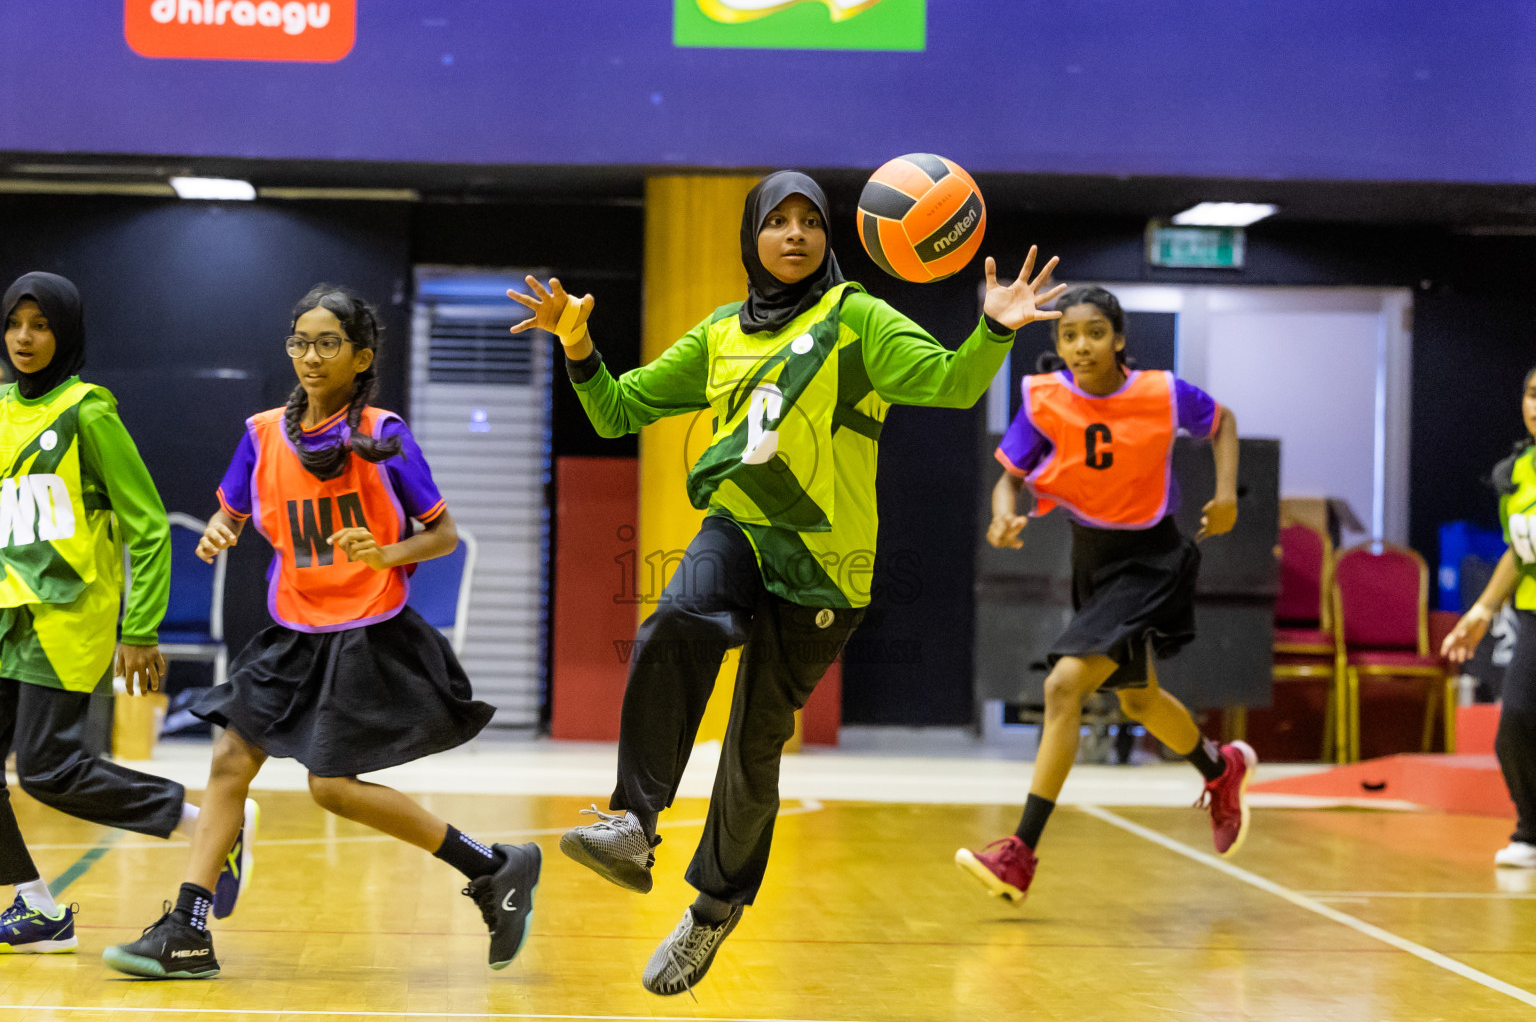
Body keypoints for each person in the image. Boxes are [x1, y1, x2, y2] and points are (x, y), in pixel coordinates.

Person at [510, 170, 1065, 995]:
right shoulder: (719, 333)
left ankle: (711, 913)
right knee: (676, 616)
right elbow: (618, 411)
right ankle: (632, 819)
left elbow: (950, 384)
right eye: (779, 221)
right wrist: (579, 344)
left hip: (828, 568)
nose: (795, 234)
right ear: (754, 237)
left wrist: (992, 328)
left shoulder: (859, 319)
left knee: (753, 741)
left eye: (810, 221)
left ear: (830, 237)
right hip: (739, 526)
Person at [103, 284, 539, 979]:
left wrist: (388, 552)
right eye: (300, 342)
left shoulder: (386, 436)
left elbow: (443, 535)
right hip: (291, 632)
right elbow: (234, 513)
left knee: (331, 787)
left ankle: (493, 866)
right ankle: (187, 926)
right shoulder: (261, 433)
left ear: (360, 356)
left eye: (327, 343)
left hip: (365, 633)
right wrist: (220, 530)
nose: (310, 356)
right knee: (227, 763)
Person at [955, 284, 1252, 905]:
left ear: (1118, 339)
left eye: (1093, 332)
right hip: (1092, 560)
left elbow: (1222, 421)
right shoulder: (1044, 400)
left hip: (1153, 558)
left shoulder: (1161, 392)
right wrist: (1002, 514)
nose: (1080, 345)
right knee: (1139, 701)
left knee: (1064, 685)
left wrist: (1225, 495)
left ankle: (1020, 853)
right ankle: (1220, 770)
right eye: (1068, 336)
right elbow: (1007, 479)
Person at [0, 272, 247, 955]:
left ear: (66, 333)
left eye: (40, 324)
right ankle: (35, 908)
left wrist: (140, 629)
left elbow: (146, 528)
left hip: (65, 618)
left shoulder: (89, 413)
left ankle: (208, 823)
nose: (25, 337)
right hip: (5, 619)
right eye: (15, 322)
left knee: (48, 768)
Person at [1442, 365, 1536, 868]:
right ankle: (1532, 832)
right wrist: (1482, 609)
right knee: (1517, 722)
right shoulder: (1517, 472)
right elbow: (1517, 552)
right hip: (1533, 614)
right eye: (1532, 395)